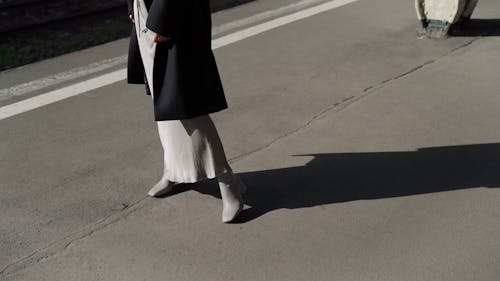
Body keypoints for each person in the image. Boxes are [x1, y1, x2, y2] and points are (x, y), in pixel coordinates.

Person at [125, 0, 246, 223]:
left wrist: (163, 19)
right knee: (163, 99)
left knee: (187, 109)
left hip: (175, 15)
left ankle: (228, 180)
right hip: (147, 11)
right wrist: (133, 7)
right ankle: (173, 170)